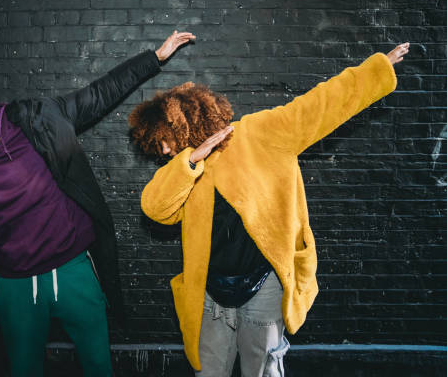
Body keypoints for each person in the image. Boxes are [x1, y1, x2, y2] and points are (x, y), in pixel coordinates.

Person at [0, 30, 196, 377]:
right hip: (15, 286)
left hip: (73, 269)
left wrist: (154, 58)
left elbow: (97, 95)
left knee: (99, 364)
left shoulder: (32, 118)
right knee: (23, 369)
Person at [128, 43, 410, 377]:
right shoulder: (182, 168)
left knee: (261, 369)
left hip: (263, 285)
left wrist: (375, 70)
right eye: (157, 145)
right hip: (209, 292)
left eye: (165, 140)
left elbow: (320, 105)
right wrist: (189, 161)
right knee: (208, 370)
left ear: (185, 123)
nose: (163, 150)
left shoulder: (261, 133)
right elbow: (155, 210)